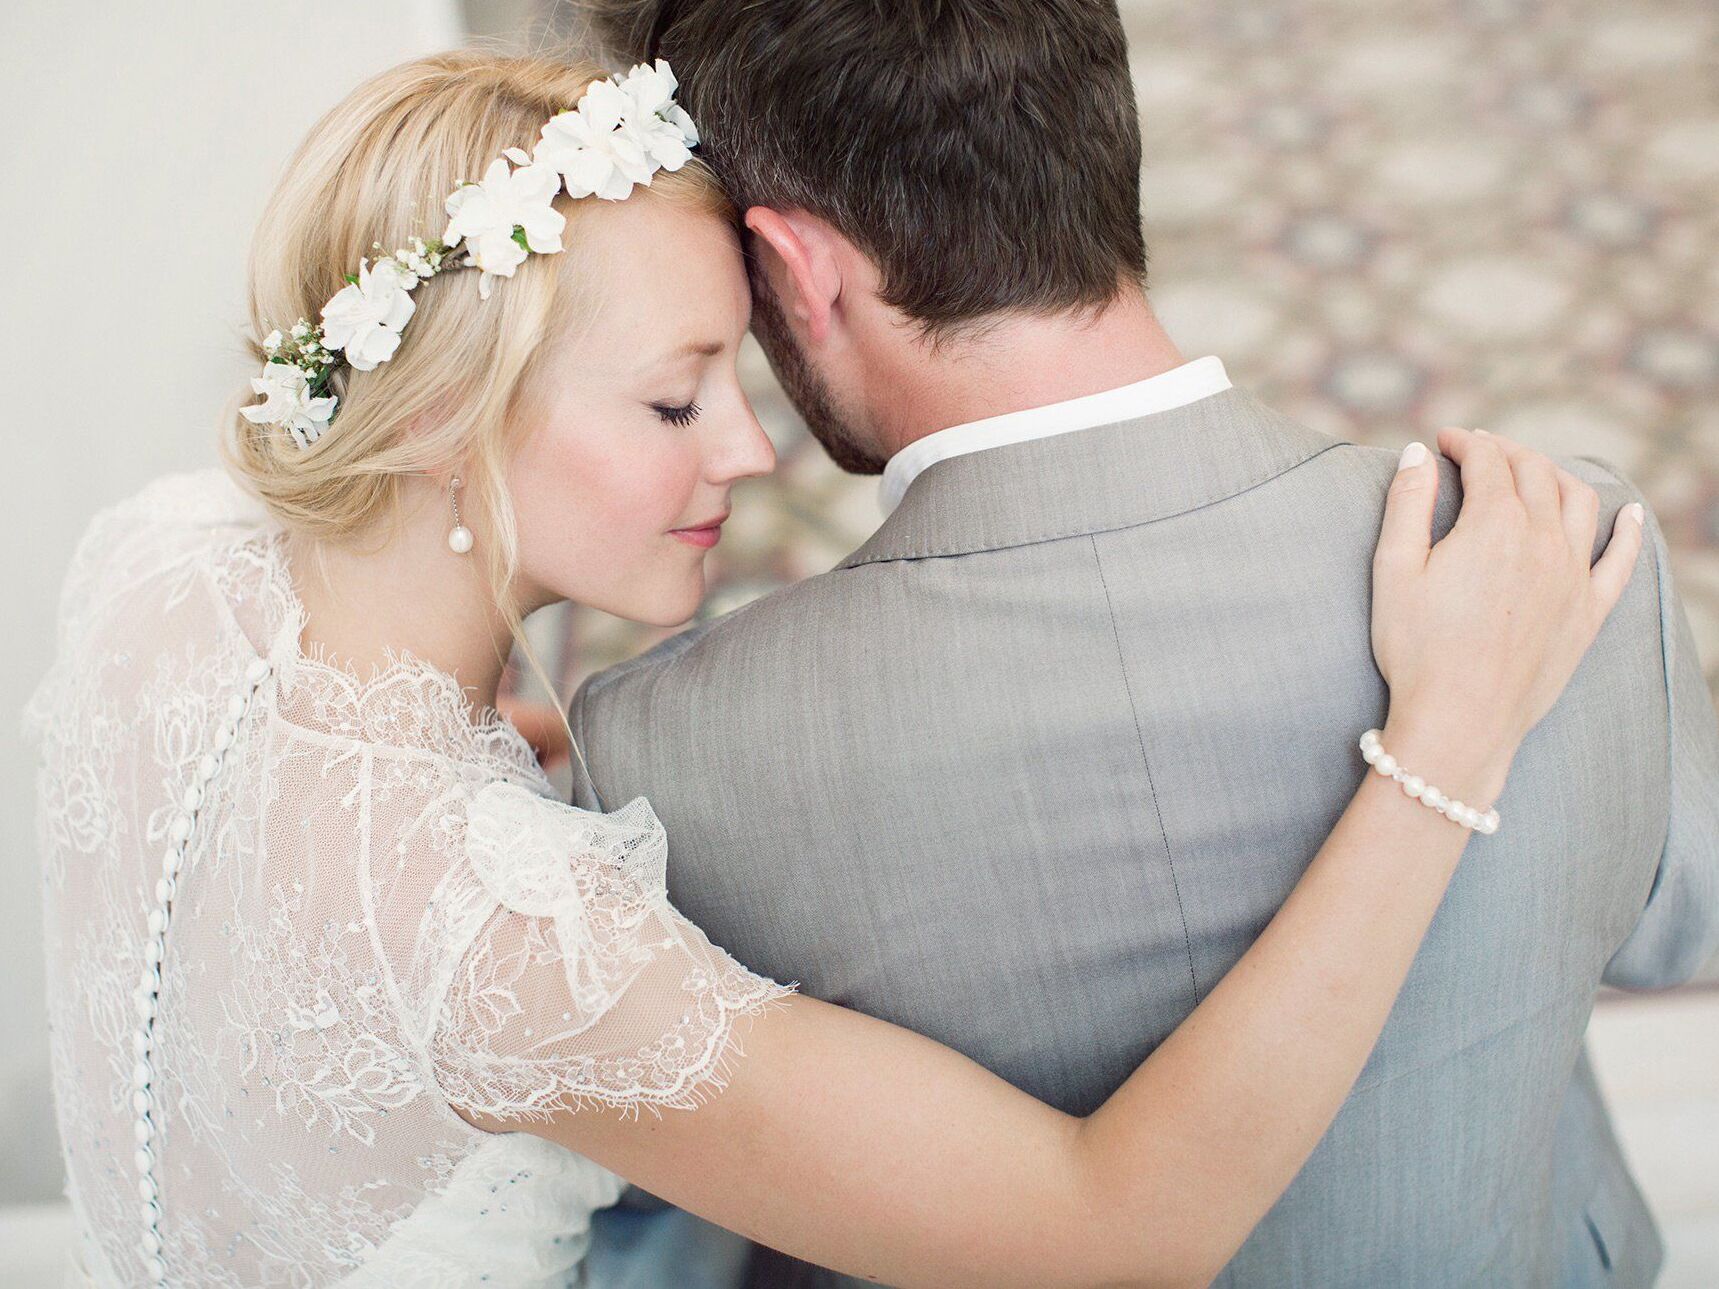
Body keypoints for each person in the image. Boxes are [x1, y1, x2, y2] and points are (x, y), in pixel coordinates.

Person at [24, 49, 1648, 1289]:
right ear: (443, 414)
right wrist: (1442, 728)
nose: (751, 444)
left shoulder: (165, 563)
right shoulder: (505, 935)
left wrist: (508, 755)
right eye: (674, 400)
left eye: (736, 371)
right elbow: (1111, 1225)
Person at [569, 4, 1719, 1286]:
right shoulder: (1566, 545)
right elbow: (1674, 934)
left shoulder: (666, 755)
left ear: (794, 266)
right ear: (1098, 129)